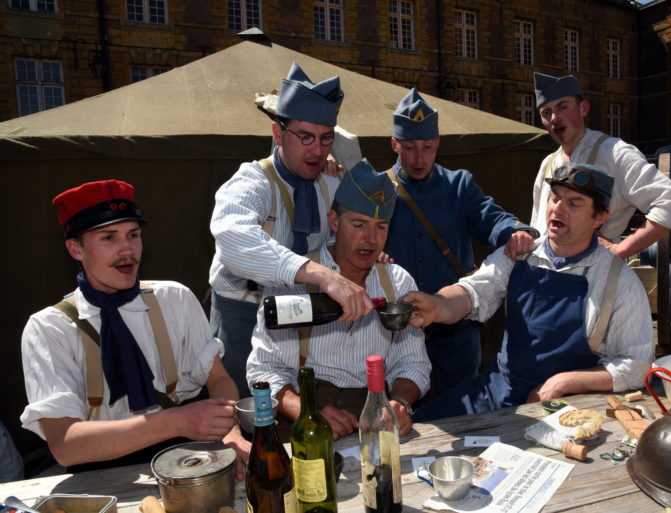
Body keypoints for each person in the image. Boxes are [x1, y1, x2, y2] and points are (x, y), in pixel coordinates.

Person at [20, 180, 250, 477]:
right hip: (98, 473)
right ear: (76, 248)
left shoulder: (174, 299)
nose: (127, 248)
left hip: (186, 458)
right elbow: (65, 445)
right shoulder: (50, 328)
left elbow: (218, 379)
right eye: (109, 237)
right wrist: (176, 421)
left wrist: (229, 431)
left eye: (133, 234)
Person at [404, 163, 654, 421]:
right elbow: (474, 291)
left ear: (599, 217)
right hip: (499, 390)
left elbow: (636, 365)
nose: (558, 208)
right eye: (555, 198)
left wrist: (567, 382)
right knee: (421, 424)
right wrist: (437, 305)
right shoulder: (519, 254)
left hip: (568, 408)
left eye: (574, 203)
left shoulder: (619, 281)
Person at [210, 62, 374, 398]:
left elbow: (339, 236)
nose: (317, 149)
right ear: (277, 134)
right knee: (249, 410)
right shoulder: (252, 182)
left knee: (299, 402)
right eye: (306, 137)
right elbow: (234, 240)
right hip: (243, 314)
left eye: (326, 138)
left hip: (302, 310)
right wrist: (320, 274)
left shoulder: (331, 181)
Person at [247, 159, 431, 440]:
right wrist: (305, 411)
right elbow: (266, 368)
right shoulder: (295, 277)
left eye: (381, 227)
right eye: (359, 224)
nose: (371, 239)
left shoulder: (397, 282)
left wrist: (400, 404)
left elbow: (412, 363)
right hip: (302, 407)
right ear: (334, 221)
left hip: (372, 412)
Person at [384, 88, 538, 398]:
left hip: (454, 335)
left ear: (438, 143)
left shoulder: (459, 185)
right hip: (397, 336)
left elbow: (491, 217)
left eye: (427, 147)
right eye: (409, 147)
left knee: (462, 412)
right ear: (394, 144)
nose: (419, 157)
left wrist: (517, 231)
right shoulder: (377, 188)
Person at [529, 72, 671, 259]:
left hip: (589, 275)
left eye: (562, 107)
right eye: (546, 112)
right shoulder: (548, 163)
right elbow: (538, 225)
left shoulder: (614, 153)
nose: (554, 118)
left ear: (583, 108)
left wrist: (622, 249)